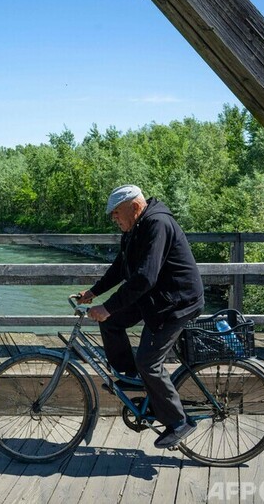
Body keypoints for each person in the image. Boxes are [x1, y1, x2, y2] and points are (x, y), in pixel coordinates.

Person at [76, 184, 204, 449]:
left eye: (116, 212)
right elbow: (121, 267)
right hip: (157, 296)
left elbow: (145, 277)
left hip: (177, 302)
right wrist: (94, 292)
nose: (113, 218)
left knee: (149, 362)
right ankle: (131, 376)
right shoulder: (135, 228)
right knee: (112, 323)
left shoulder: (157, 224)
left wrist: (107, 307)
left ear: (134, 207)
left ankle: (179, 422)